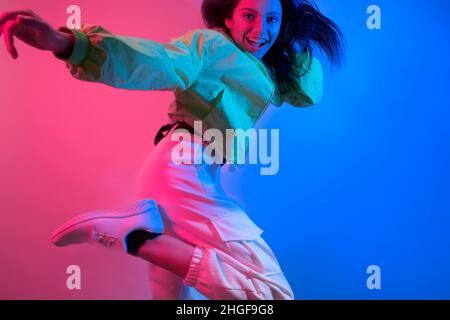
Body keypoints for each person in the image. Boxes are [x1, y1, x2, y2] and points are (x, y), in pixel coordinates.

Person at [0, 0, 344, 300]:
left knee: (173, 297)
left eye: (272, 19)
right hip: (182, 172)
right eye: (249, 16)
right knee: (271, 294)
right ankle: (137, 238)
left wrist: (294, 32)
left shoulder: (265, 70)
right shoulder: (211, 46)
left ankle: (140, 232)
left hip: (187, 173)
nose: (261, 30)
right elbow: (158, 61)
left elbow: (307, 93)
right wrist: (67, 43)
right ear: (228, 19)